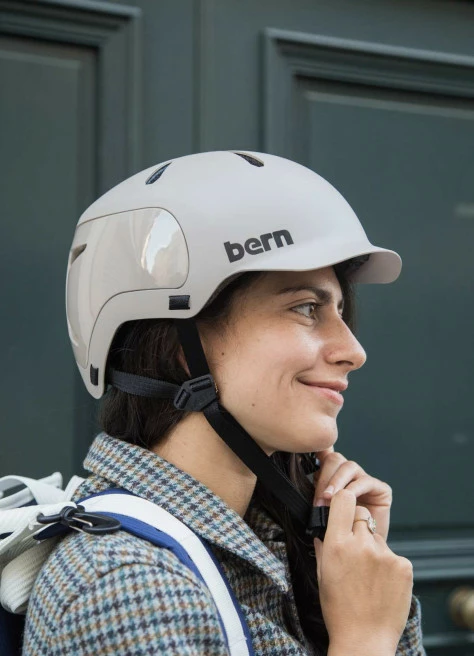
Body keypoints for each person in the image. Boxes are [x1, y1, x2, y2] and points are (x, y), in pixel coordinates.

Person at [23, 151, 425, 655]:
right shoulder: (127, 589)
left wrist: (358, 584)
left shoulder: (272, 550)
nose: (353, 351)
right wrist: (365, 637)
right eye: (306, 308)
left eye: (340, 312)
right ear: (178, 345)